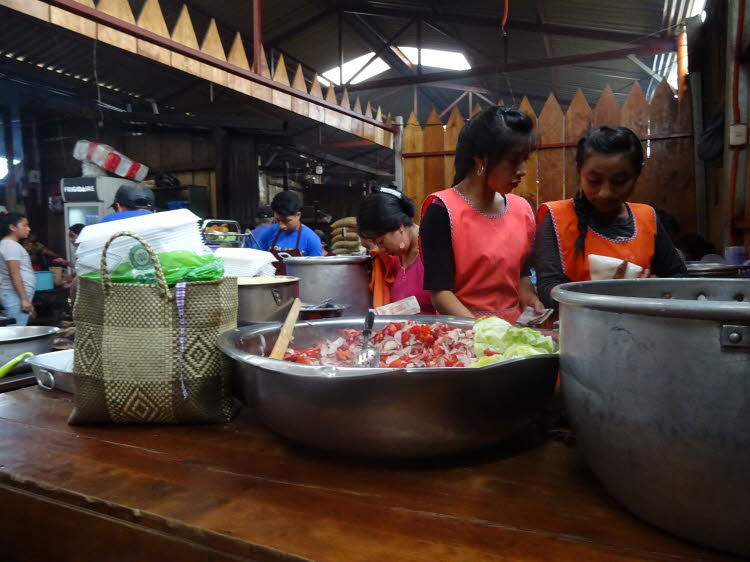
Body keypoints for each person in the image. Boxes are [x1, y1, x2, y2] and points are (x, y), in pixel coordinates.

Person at [534, 126, 687, 307]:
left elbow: (679, 277)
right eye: (594, 181)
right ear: (580, 172)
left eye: (619, 181)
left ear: (637, 174)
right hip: (577, 329)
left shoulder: (647, 217)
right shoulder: (556, 217)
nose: (605, 193)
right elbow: (548, 290)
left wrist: (655, 288)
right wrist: (608, 296)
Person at [420, 106, 542, 321]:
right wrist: (483, 332)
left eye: (525, 160)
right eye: (514, 161)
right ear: (481, 159)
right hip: (462, 334)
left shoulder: (521, 209)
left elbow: (522, 275)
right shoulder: (442, 210)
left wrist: (531, 299)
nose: (522, 170)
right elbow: (440, 293)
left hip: (514, 334)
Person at [358, 187, 435, 314]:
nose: (380, 249)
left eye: (381, 241)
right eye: (376, 243)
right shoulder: (389, 261)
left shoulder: (434, 251)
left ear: (399, 227)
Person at [255, 191, 323, 258]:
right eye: (278, 220)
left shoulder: (311, 239)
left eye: (286, 221)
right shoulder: (269, 232)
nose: (282, 226)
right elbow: (256, 258)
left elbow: (316, 268)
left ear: (298, 215)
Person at [0, 213, 36, 325]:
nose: (28, 229)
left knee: (17, 329)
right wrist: (24, 299)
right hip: (15, 295)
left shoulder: (11, 245)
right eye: (25, 225)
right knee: (15, 331)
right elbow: (14, 273)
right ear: (12, 227)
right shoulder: (10, 245)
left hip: (16, 295)